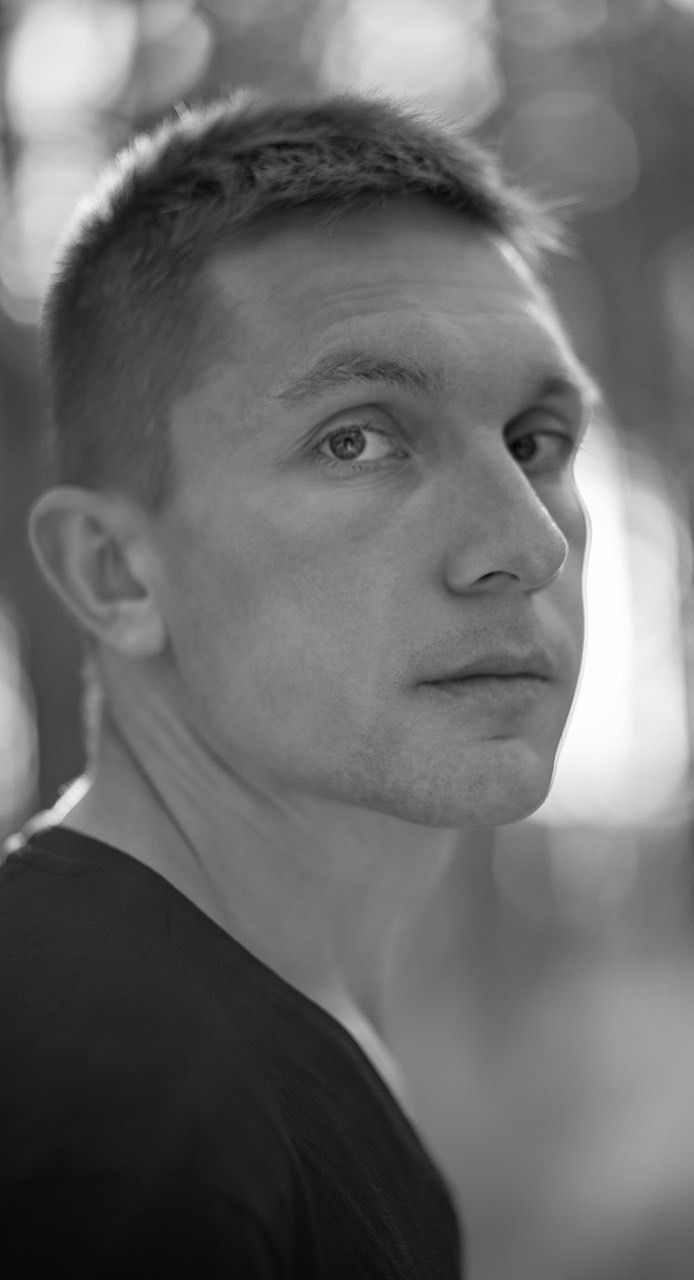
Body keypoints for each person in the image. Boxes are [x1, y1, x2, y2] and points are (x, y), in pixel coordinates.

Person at [0, 89, 596, 1277]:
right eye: (355, 437)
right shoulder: (111, 1126)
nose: (527, 544)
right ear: (116, 571)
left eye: (534, 441)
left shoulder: (249, 1035)